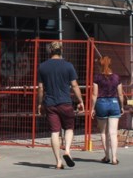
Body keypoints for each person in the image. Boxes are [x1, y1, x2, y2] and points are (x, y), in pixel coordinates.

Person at [37, 41, 85, 169]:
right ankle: (67, 151)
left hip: (50, 103)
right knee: (69, 128)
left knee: (54, 132)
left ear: (50, 51)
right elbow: (74, 85)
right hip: (65, 102)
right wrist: (80, 101)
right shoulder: (68, 66)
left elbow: (40, 88)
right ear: (61, 50)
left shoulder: (42, 67)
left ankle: (58, 161)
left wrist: (40, 104)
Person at [90, 55, 126, 165]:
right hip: (114, 103)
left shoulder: (97, 77)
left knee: (103, 132)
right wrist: (122, 106)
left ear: (100, 66)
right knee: (113, 133)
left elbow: (94, 94)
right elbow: (120, 94)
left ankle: (106, 156)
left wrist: (92, 108)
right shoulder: (116, 77)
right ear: (111, 65)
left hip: (101, 103)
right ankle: (114, 158)